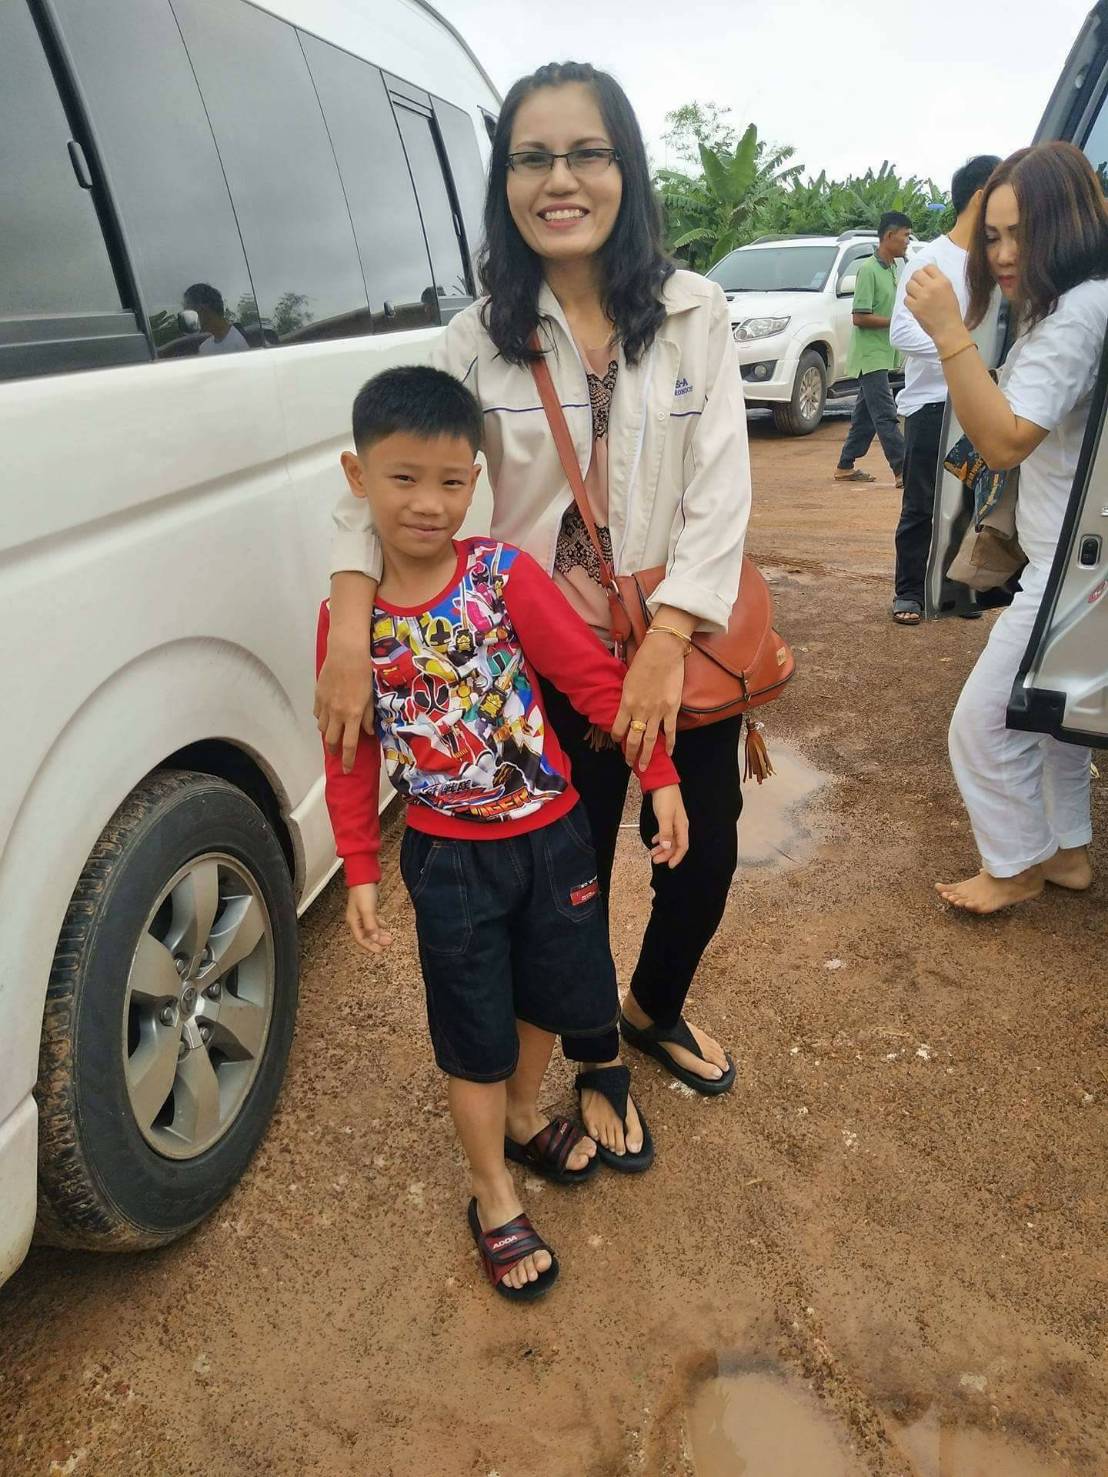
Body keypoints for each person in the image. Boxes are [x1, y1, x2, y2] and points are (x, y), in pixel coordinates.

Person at [316, 61, 750, 1166]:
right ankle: (597, 1053)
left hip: (673, 637)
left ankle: (653, 1006)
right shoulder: (477, 337)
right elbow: (380, 488)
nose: (560, 180)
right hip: (536, 657)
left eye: (586, 154)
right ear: (504, 181)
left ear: (625, 168)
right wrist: (351, 637)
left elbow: (722, 490)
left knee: (701, 856)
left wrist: (666, 640)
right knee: (572, 874)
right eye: (532, 159)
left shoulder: (694, 312)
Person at [320, 366, 688, 1300]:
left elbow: (593, 683)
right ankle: (491, 1192)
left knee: (548, 995)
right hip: (449, 860)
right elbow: (348, 751)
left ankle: (524, 1116)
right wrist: (358, 862)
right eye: (404, 478)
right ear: (358, 478)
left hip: (554, 838)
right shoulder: (346, 627)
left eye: (452, 481)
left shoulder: (502, 574)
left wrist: (659, 775)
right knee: (473, 1028)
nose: (429, 503)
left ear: (477, 481)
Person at [906, 141, 1108, 914]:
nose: (1003, 252)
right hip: (1075, 557)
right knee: (1050, 716)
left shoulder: (1075, 316)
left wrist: (949, 333)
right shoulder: (1084, 300)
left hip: (1069, 566)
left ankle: (1015, 863)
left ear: (1068, 222)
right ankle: (1066, 853)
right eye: (992, 236)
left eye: (1022, 232)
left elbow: (1004, 439)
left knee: (983, 723)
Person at [888, 156, 1001, 625]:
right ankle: (909, 592)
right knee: (922, 502)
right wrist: (961, 350)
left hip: (981, 403)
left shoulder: (996, 261)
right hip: (933, 403)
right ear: (981, 197)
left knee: (970, 501)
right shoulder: (930, 261)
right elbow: (901, 331)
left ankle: (955, 591)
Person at [833, 212, 913, 487]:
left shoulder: (893, 268)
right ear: (889, 236)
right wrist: (895, 322)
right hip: (870, 356)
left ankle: (845, 466)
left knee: (865, 417)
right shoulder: (868, 270)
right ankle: (903, 470)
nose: (907, 241)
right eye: (905, 235)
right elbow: (859, 316)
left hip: (883, 353)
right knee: (886, 414)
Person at [182, 282, 249, 355]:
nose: (187, 319)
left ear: (204, 309)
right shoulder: (204, 348)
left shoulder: (240, 341)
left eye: (188, 313)